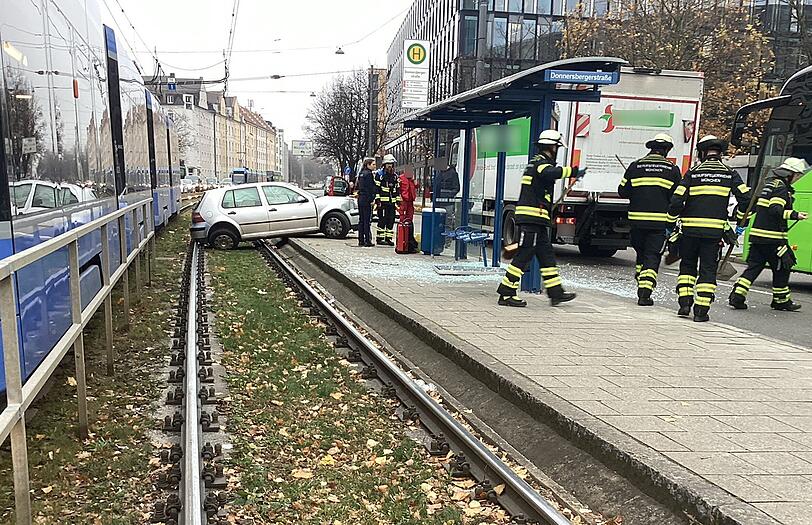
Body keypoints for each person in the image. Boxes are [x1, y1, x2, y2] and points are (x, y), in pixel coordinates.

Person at [496, 129, 584, 307]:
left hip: (538, 219)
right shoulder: (540, 162)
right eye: (556, 148)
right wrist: (572, 172)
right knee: (525, 254)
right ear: (551, 147)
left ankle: (556, 293)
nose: (557, 151)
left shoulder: (536, 162)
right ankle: (506, 293)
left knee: (547, 256)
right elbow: (547, 173)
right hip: (532, 217)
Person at [667, 135, 750, 322]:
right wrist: (740, 221)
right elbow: (746, 199)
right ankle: (701, 312)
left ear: (703, 153)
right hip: (714, 234)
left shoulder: (693, 173)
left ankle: (685, 303)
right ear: (720, 154)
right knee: (708, 269)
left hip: (689, 231)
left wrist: (670, 223)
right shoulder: (730, 173)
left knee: (687, 266)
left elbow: (676, 201)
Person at [729, 157, 810, 311]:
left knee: (754, 267)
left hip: (758, 236)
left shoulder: (769, 184)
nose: (797, 179)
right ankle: (780, 300)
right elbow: (775, 209)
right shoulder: (780, 188)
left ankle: (737, 296)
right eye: (797, 175)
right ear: (790, 174)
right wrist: (795, 215)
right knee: (783, 266)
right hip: (772, 238)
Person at [618, 133, 683, 306]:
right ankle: (645, 293)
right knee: (652, 256)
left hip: (636, 222)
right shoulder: (672, 170)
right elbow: (677, 198)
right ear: (667, 150)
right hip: (659, 223)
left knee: (641, 254)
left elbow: (622, 191)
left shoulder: (635, 166)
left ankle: (641, 280)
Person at [376, 154, 400, 246]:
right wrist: (378, 200)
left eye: (391, 164)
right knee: (382, 220)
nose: (390, 166)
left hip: (391, 203)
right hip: (382, 203)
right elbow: (376, 188)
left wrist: (397, 200)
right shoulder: (380, 175)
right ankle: (380, 238)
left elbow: (397, 189)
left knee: (391, 220)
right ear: (384, 165)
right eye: (388, 164)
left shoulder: (394, 176)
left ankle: (388, 238)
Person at [356, 158, 376, 247]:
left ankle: (361, 240)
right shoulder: (369, 174)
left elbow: (359, 187)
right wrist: (372, 199)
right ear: (368, 165)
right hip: (366, 199)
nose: (375, 166)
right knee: (367, 220)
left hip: (360, 199)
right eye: (373, 164)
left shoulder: (361, 174)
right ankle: (367, 240)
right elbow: (370, 188)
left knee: (361, 220)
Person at [398, 167, 419, 253]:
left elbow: (416, 187)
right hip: (404, 200)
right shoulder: (401, 178)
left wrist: (415, 182)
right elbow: (399, 188)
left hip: (410, 200)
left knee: (409, 219)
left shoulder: (412, 179)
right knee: (403, 219)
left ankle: (408, 231)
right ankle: (403, 234)